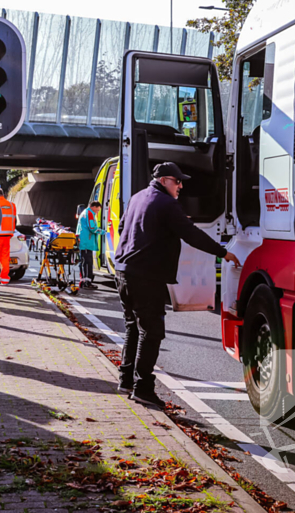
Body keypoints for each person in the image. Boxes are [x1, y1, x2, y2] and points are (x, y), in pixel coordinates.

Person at [114, 162, 241, 409]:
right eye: (177, 181)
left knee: (133, 327)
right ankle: (143, 389)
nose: (181, 186)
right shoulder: (166, 203)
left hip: (123, 272)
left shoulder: (137, 198)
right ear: (163, 181)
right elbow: (191, 234)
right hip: (146, 277)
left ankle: (126, 380)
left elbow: (122, 228)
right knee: (151, 332)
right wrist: (222, 252)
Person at [76, 202, 106, 290]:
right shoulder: (89, 213)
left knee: (84, 261)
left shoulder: (85, 212)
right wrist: (103, 232)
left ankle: (83, 281)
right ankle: (87, 283)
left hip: (84, 240)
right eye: (97, 210)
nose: (97, 212)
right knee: (87, 262)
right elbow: (92, 228)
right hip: (87, 241)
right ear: (94, 207)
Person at [0, 188, 16, 286]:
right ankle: (5, 278)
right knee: (5, 257)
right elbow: (14, 220)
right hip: (8, 235)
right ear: (3, 194)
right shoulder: (12, 205)